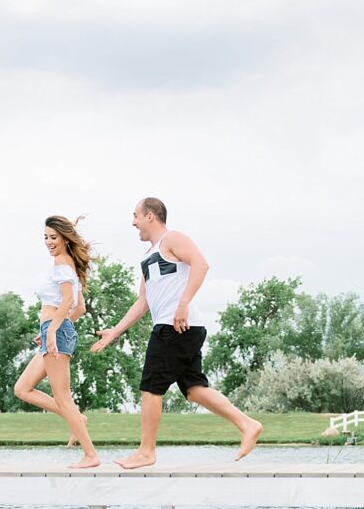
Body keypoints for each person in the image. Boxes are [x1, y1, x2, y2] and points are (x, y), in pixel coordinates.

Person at [90, 198, 262, 469]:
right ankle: (247, 424)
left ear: (150, 216)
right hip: (180, 327)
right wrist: (115, 331)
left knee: (150, 387)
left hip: (176, 326)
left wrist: (182, 303)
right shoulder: (148, 257)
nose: (132, 222)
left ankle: (147, 452)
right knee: (194, 390)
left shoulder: (173, 239)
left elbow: (201, 264)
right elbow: (142, 302)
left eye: (135, 215)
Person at [13, 215, 99, 468]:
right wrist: (53, 328)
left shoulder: (62, 264)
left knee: (63, 397)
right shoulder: (68, 265)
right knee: (22, 388)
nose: (49, 242)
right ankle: (77, 419)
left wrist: (52, 330)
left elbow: (66, 300)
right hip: (56, 330)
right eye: (46, 238)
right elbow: (79, 307)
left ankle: (91, 455)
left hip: (56, 333)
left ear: (64, 238)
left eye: (53, 237)